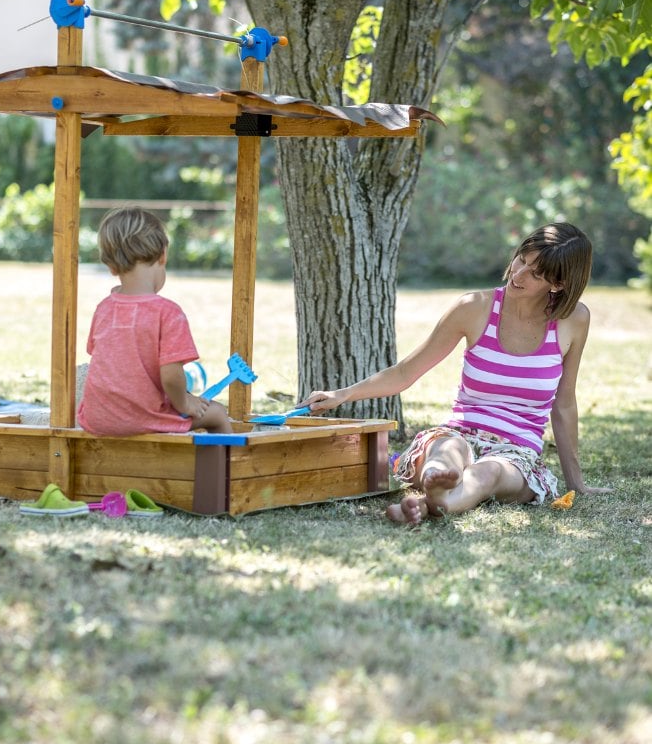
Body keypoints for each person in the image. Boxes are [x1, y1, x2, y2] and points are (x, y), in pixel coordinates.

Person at [303, 223, 612, 525]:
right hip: (460, 432)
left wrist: (577, 483)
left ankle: (431, 503)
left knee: (489, 473)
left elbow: (565, 402)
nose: (518, 274)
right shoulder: (473, 307)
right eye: (521, 259)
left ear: (557, 284)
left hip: (516, 451)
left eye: (535, 273)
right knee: (446, 454)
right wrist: (342, 394)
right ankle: (436, 493)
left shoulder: (573, 320)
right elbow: (406, 371)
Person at [77, 206, 232, 436]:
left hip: (96, 419)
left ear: (110, 266)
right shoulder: (168, 312)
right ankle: (226, 471)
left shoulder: (104, 308)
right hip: (140, 420)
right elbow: (171, 376)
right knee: (218, 414)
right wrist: (185, 404)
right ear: (163, 255)